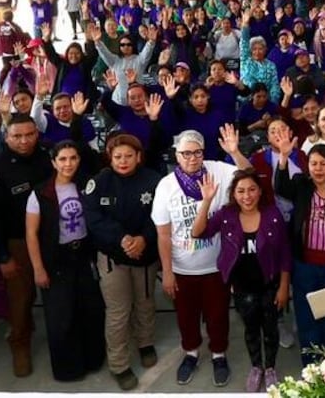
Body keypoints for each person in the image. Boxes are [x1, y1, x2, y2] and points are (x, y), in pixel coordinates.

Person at [152, 126, 251, 387]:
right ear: (177, 155)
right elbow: (163, 234)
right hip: (183, 267)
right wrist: (168, 272)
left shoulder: (218, 170)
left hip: (216, 265)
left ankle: (219, 355)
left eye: (197, 152)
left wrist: (234, 152)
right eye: (186, 153)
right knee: (186, 316)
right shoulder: (166, 186)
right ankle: (191, 353)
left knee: (218, 315)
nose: (192, 158)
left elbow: (250, 176)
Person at [192, 168, 292, 392]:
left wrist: (284, 286)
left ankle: (270, 368)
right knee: (251, 329)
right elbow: (197, 232)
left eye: (251, 190)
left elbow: (285, 253)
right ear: (233, 194)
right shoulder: (226, 215)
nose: (246, 196)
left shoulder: (272, 214)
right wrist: (206, 201)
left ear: (259, 191)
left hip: (270, 285)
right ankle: (256, 366)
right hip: (242, 288)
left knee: (271, 329)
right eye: (241, 191)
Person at [85, 133, 162, 390]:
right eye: (117, 156)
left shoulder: (154, 180)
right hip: (113, 258)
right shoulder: (99, 183)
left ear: (139, 157)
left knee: (145, 303)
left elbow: (160, 215)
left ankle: (145, 343)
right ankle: (119, 364)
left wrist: (143, 239)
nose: (123, 161)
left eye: (129, 156)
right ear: (110, 157)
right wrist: (123, 240)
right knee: (118, 312)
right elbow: (94, 218)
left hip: (146, 255)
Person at [25, 140, 106, 382]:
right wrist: (38, 268)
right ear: (53, 162)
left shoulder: (86, 185)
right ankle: (68, 369)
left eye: (73, 158)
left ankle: (93, 359)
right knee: (62, 316)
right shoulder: (41, 193)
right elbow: (31, 233)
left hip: (82, 255)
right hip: (56, 259)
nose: (68, 163)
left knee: (90, 310)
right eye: (62, 159)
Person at [0, 113, 47, 376]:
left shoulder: (46, 156)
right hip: (17, 243)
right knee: (21, 299)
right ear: (7, 137)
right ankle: (19, 343)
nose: (24, 141)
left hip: (50, 236)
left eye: (29, 134)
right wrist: (3, 257)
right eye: (17, 136)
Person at [274, 144, 325, 364]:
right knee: (307, 320)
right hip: (304, 268)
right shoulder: (301, 185)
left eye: (323, 164)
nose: (318, 168)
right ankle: (312, 369)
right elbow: (281, 187)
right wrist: (283, 157)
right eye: (313, 164)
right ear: (307, 166)